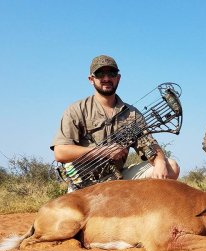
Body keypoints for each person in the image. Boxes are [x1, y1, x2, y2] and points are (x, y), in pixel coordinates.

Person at [51, 55, 180, 191]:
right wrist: (103, 152)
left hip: (118, 179)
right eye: (100, 74)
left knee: (171, 166)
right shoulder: (76, 110)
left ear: (118, 78)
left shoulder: (132, 114)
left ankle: (137, 209)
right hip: (83, 184)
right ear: (91, 79)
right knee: (73, 210)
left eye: (111, 74)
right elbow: (60, 152)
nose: (106, 79)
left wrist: (159, 161)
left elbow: (149, 144)